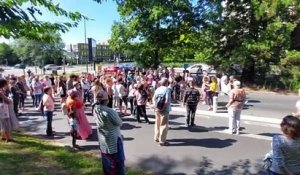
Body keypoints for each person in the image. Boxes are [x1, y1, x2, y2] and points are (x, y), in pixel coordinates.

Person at [93, 91, 125, 174]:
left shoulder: (95, 109)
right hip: (114, 140)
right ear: (106, 100)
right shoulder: (109, 111)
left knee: (107, 161)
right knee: (118, 163)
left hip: (103, 140)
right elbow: (119, 122)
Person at [152, 78, 172, 146]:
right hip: (164, 109)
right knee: (163, 125)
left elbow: (153, 98)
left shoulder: (158, 89)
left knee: (157, 123)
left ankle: (156, 137)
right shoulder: (167, 90)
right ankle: (162, 141)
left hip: (157, 109)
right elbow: (166, 101)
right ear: (166, 83)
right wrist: (162, 108)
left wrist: (156, 107)